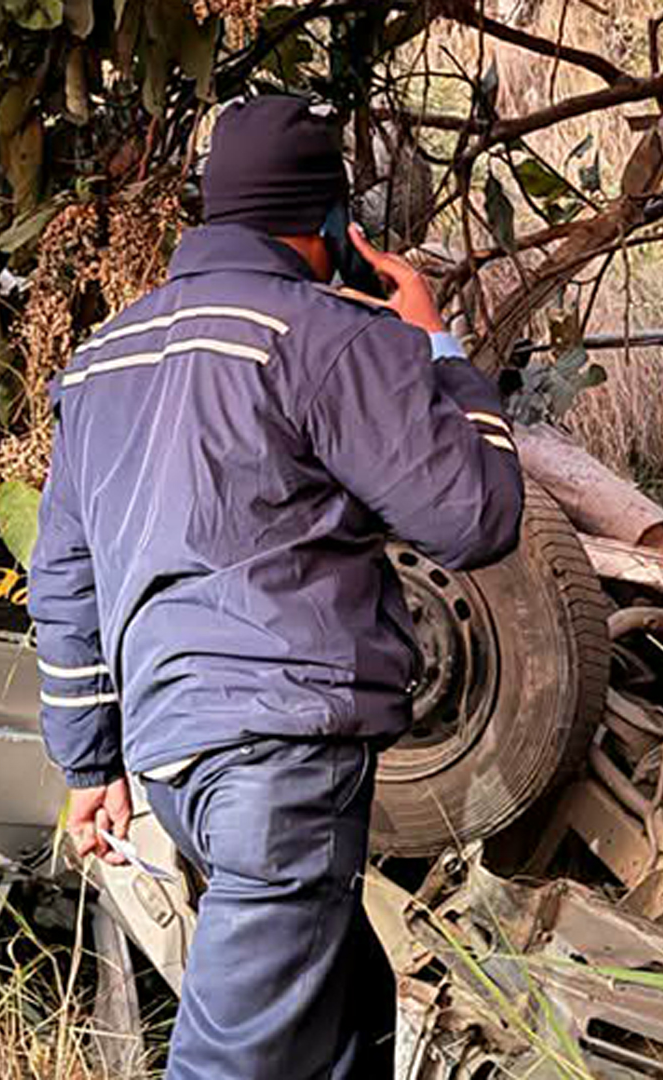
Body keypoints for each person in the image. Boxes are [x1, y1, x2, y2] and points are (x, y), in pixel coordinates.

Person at [26, 93, 525, 1080]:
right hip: (277, 763)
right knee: (234, 1064)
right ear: (332, 226)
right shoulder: (324, 337)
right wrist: (437, 350)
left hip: (175, 764)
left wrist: (88, 764)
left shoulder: (101, 362)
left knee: (341, 1029)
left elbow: (64, 579)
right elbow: (474, 516)